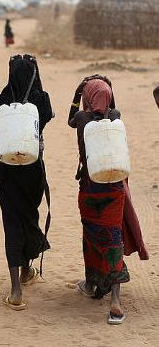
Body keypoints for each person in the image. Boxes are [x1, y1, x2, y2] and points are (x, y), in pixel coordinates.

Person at [68, 76, 148, 325]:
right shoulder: (117, 116)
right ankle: (115, 300)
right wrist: (110, 93)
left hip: (91, 188)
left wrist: (76, 93)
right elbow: (112, 109)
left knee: (91, 238)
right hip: (114, 190)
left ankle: (92, 283)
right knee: (114, 237)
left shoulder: (82, 119)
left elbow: (70, 120)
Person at [0, 55, 53, 311]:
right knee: (30, 215)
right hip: (32, 169)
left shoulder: (2, 100)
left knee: (11, 220)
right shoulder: (42, 99)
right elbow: (47, 117)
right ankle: (26, 270)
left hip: (5, 169)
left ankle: (16, 289)